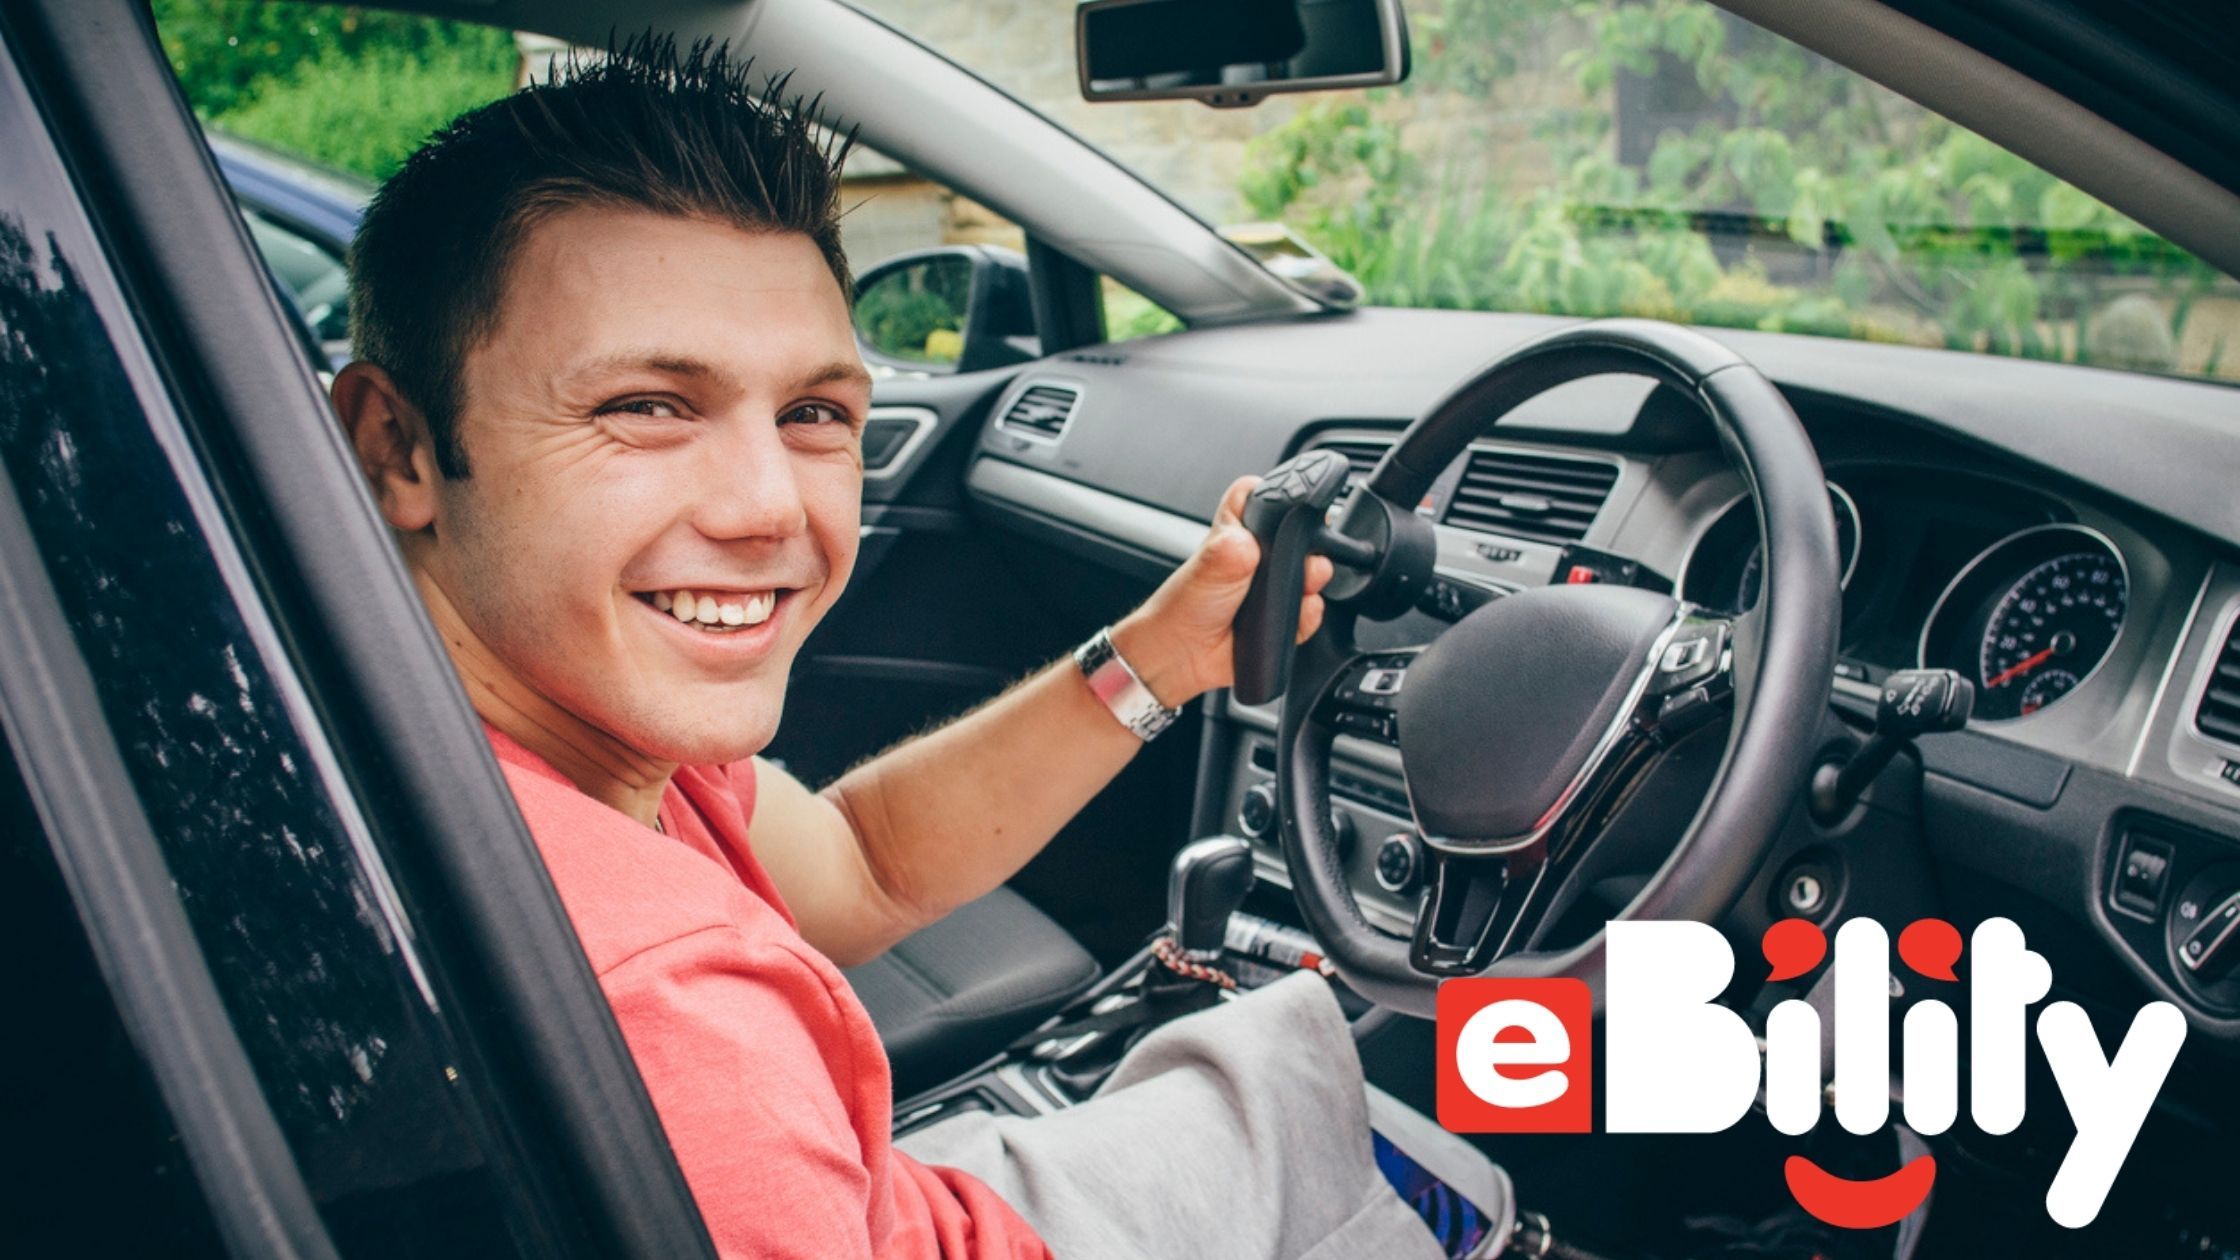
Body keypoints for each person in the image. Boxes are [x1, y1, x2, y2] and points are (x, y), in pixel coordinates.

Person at [329, 35, 1492, 1259]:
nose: (768, 507)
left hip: (897, 1194)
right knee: (1381, 1129)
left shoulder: (515, 725)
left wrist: (1160, 656)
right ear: (398, 448)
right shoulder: (675, 1018)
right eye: (646, 408)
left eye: (812, 413)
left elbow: (857, 864)